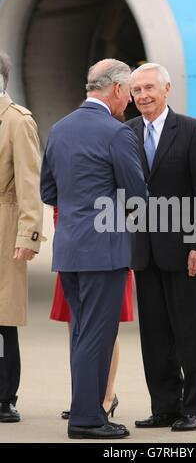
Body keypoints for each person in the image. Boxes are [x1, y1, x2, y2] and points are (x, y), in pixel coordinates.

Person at [40, 59, 147, 440]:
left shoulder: (60, 128)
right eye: (129, 92)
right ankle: (86, 418)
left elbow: (48, 192)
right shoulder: (116, 133)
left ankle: (90, 413)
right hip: (104, 250)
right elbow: (137, 196)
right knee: (98, 334)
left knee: (83, 333)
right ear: (116, 90)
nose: (130, 102)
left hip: (69, 248)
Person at [127, 63, 196, 431]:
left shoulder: (193, 131)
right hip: (144, 251)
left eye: (149, 87)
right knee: (154, 334)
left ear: (166, 89)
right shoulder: (127, 132)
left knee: (189, 333)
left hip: (184, 252)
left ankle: (194, 408)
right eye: (136, 90)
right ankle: (164, 406)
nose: (143, 95)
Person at [51, 206, 133, 419]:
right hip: (71, 249)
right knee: (75, 326)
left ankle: (107, 395)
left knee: (105, 328)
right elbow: (55, 201)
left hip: (107, 248)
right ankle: (83, 396)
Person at [0, 51, 44, 423]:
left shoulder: (16, 121)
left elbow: (30, 182)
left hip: (3, 226)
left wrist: (29, 234)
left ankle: (3, 397)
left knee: (2, 316)